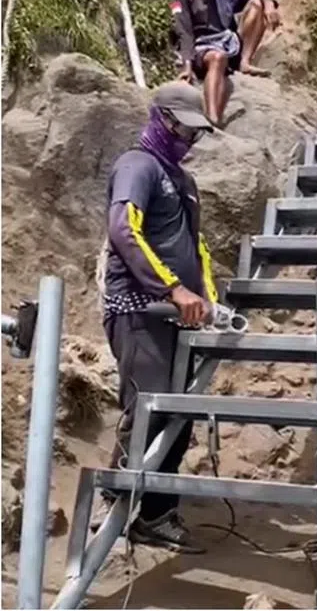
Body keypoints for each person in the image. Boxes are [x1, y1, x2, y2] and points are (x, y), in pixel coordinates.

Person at [92, 82, 217, 552]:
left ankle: (157, 516)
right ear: (162, 120)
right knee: (149, 407)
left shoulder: (184, 182)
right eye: (185, 130)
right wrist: (172, 289)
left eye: (197, 133)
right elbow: (124, 229)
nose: (190, 140)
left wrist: (206, 298)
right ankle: (112, 506)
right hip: (140, 310)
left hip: (180, 317)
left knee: (178, 417)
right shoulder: (137, 166)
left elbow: (196, 247)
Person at [170, 0, 281, 127]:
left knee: (256, 3)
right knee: (217, 57)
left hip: (228, 44)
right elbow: (183, 29)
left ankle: (245, 62)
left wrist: (269, 4)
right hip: (202, 49)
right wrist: (186, 66)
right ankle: (213, 118)